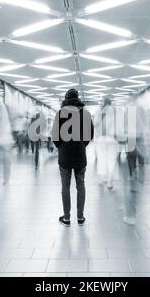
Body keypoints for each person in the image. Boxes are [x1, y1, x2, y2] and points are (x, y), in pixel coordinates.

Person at [52, 89, 93, 227]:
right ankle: (80, 217)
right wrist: (82, 145)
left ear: (66, 99)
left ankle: (67, 218)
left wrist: (61, 147)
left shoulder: (60, 114)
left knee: (65, 186)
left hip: (65, 156)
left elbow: (55, 136)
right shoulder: (85, 114)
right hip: (80, 155)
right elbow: (90, 135)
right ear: (77, 99)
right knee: (81, 185)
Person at [93, 97, 118, 190]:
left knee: (102, 159)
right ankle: (109, 182)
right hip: (112, 139)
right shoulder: (115, 112)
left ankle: (102, 179)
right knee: (111, 160)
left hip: (100, 139)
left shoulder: (99, 111)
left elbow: (94, 124)